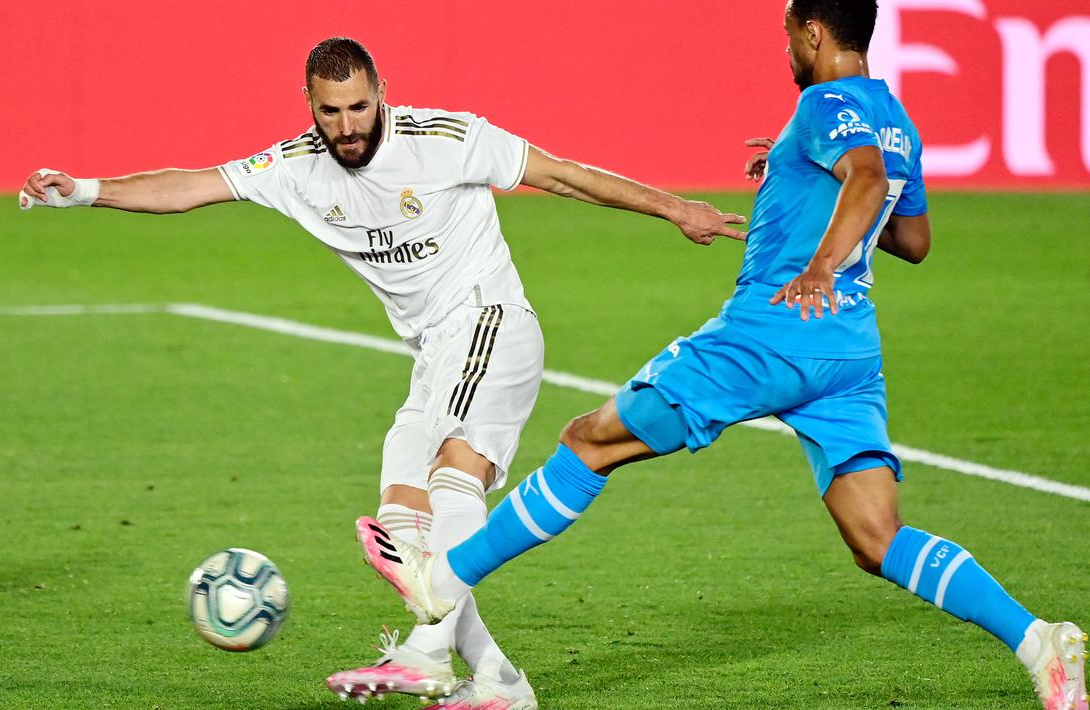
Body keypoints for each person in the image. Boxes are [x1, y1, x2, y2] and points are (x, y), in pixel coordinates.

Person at [354, 3, 1088, 708]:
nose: (785, 49)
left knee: (591, 440)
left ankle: (440, 579)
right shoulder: (894, 119)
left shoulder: (826, 106)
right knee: (876, 537)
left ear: (813, 32)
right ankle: (1037, 642)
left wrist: (822, 261)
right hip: (847, 354)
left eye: (786, 34)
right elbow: (912, 240)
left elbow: (862, 180)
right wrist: (795, 180)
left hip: (769, 335)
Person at [19, 37, 745, 709]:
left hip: (488, 322)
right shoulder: (294, 165)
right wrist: (85, 190)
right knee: (403, 527)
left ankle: (427, 655)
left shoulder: (446, 138)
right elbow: (191, 186)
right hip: (433, 354)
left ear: (381, 93)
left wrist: (675, 208)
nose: (347, 124)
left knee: (452, 478)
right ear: (310, 107)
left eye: (359, 105)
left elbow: (564, 177)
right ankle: (494, 679)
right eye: (330, 110)